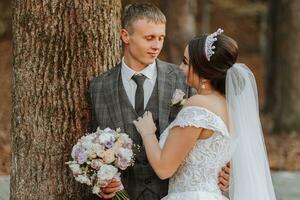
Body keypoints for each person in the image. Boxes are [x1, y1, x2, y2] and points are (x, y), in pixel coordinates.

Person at [89, 3, 230, 200]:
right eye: (149, 38)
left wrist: (224, 170)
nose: (156, 46)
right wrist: (101, 182)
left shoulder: (185, 78)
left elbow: (209, 134)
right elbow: (93, 148)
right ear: (125, 36)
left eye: (161, 38)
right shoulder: (99, 87)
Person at [133, 29, 277, 200]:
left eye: (186, 62)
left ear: (203, 70)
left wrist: (148, 133)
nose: (181, 67)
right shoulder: (229, 108)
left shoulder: (198, 105)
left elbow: (164, 169)